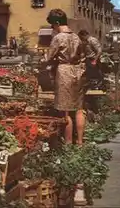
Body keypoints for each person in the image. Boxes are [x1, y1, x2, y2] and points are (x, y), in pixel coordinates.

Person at [43, 9, 86, 145]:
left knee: (65, 111)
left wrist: (44, 58)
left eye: (53, 25)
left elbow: (49, 58)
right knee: (79, 109)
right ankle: (79, 142)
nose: (53, 28)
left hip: (64, 71)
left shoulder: (58, 38)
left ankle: (68, 143)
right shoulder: (76, 37)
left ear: (56, 23)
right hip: (78, 71)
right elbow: (82, 56)